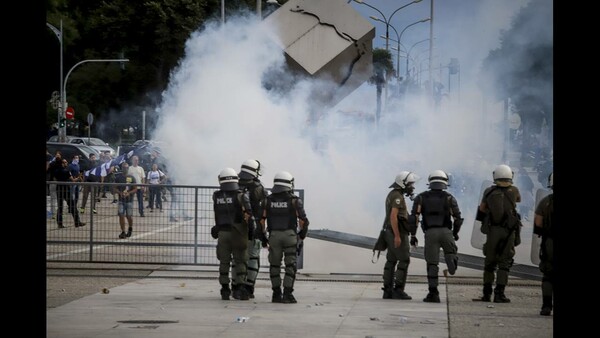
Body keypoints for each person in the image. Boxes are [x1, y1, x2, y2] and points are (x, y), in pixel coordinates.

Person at [409, 170, 463, 303]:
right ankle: (452, 259)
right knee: (451, 251)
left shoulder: (420, 197)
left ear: (430, 182)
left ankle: (433, 293)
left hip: (430, 233)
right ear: (445, 183)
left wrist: (413, 235)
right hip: (446, 231)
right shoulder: (450, 198)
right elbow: (457, 218)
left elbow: (414, 218)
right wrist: (455, 233)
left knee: (432, 263)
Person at [474, 164, 521, 303]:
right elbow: (518, 200)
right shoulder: (514, 190)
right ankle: (499, 294)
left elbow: (482, 209)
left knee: (489, 263)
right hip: (509, 231)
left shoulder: (489, 191)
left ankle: (486, 294)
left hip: (493, 230)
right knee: (505, 263)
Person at [259, 171, 309, 304]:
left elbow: (261, 222)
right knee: (290, 265)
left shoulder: (267, 201)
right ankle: (287, 294)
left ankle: (276, 294)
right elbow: (303, 220)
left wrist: (264, 239)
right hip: (290, 235)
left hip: (274, 235)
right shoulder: (294, 201)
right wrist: (301, 236)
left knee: (274, 265)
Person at [212, 168, 256, 301]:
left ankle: (224, 289)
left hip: (222, 233)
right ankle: (240, 289)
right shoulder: (242, 195)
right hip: (238, 232)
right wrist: (251, 232)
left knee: (224, 262)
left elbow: (217, 214)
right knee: (240, 261)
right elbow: (249, 215)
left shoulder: (216, 195)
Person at [231, 159, 267, 299]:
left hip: (236, 228)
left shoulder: (233, 185)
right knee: (253, 258)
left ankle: (235, 286)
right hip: (254, 228)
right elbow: (264, 208)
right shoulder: (258, 188)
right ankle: (248, 287)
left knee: (237, 259)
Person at [380, 171, 418, 300]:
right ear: (403, 183)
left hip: (389, 231)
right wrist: (397, 236)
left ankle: (387, 290)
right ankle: (398, 290)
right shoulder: (398, 197)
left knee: (391, 260)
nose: (411, 187)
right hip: (397, 232)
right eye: (410, 184)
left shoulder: (393, 194)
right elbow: (393, 216)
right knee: (404, 260)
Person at [534, 172, 553, 316]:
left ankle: (546, 306)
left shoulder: (545, 202)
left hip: (550, 242)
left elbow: (538, 224)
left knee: (548, 275)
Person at [53, 158, 86, 228]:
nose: (66, 163)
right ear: (62, 163)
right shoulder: (66, 171)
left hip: (58, 189)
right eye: (65, 162)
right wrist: (79, 177)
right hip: (66, 190)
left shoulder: (56, 171)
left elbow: (55, 179)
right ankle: (77, 222)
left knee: (60, 207)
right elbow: (73, 180)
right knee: (72, 205)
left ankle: (60, 224)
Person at [113, 162, 138, 239]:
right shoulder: (118, 177)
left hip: (129, 200)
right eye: (124, 168)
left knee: (129, 216)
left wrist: (129, 193)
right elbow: (114, 188)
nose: (125, 169)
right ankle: (123, 231)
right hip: (121, 200)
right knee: (121, 215)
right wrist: (119, 193)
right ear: (122, 168)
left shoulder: (132, 177)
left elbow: (135, 188)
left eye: (127, 168)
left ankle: (130, 227)